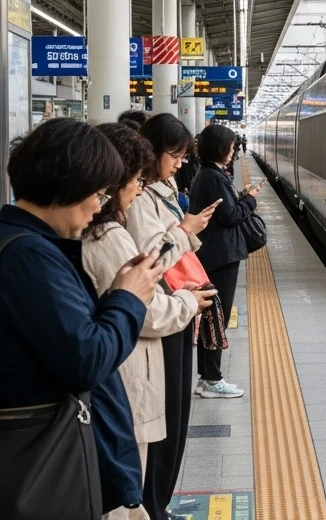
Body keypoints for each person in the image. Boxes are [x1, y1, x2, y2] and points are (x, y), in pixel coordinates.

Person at [0, 118, 163, 516]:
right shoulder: (30, 257)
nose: (99, 206)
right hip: (41, 457)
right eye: (98, 193)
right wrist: (128, 299)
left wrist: (115, 295)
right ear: (69, 188)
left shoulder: (24, 244)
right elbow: (85, 359)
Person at [82, 125, 217, 520]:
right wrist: (186, 302)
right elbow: (144, 304)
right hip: (128, 372)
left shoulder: (98, 232)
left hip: (126, 365)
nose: (138, 189)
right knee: (131, 490)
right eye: (134, 180)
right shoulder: (107, 236)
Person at [128, 114, 214, 520]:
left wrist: (189, 229)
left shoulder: (162, 189)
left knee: (176, 417)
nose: (180, 163)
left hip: (177, 307)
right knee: (164, 421)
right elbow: (153, 259)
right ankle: (153, 506)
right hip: (161, 314)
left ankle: (159, 504)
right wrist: (184, 229)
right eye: (174, 154)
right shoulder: (140, 199)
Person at [188, 124, 259, 399]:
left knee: (211, 315)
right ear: (221, 148)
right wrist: (250, 200)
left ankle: (208, 376)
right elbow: (230, 216)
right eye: (230, 146)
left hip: (213, 253)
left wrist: (239, 198)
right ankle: (211, 378)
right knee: (216, 316)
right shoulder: (213, 177)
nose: (233, 151)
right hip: (220, 256)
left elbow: (223, 210)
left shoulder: (207, 174)